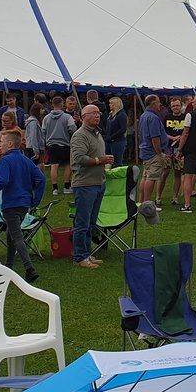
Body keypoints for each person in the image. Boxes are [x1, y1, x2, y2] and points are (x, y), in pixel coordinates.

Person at [0, 129, 45, 282]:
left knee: (16, 236)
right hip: (24, 204)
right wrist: (35, 200)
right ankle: (8, 266)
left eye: (1, 142)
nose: (0, 146)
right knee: (10, 234)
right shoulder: (26, 160)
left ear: (9, 144)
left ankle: (29, 268)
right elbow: (41, 179)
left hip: (11, 204)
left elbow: (3, 181)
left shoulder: (5, 160)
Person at [70, 104, 113, 270]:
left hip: (98, 183)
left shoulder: (97, 133)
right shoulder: (79, 136)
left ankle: (87, 253)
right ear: (84, 116)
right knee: (82, 223)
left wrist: (103, 161)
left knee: (91, 223)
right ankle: (80, 256)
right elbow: (80, 158)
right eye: (93, 113)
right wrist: (99, 160)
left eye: (98, 113)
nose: (97, 115)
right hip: (85, 184)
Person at [137, 94, 170, 207]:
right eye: (158, 102)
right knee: (151, 178)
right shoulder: (153, 118)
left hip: (145, 151)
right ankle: (147, 203)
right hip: (153, 152)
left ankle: (141, 201)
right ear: (154, 103)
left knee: (145, 176)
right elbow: (155, 138)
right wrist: (159, 152)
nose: (160, 104)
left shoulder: (143, 115)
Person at [42, 96, 77, 196]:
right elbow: (72, 129)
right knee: (68, 165)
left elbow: (43, 131)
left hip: (52, 145)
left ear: (52, 104)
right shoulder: (67, 117)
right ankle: (66, 186)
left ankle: (55, 188)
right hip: (65, 144)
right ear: (62, 104)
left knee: (54, 165)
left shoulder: (46, 118)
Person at [103, 96, 128, 164]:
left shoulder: (122, 115)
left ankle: (117, 174)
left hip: (117, 142)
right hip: (109, 141)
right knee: (108, 162)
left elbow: (123, 129)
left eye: (111, 103)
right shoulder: (111, 114)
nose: (109, 105)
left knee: (116, 162)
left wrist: (112, 137)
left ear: (116, 104)